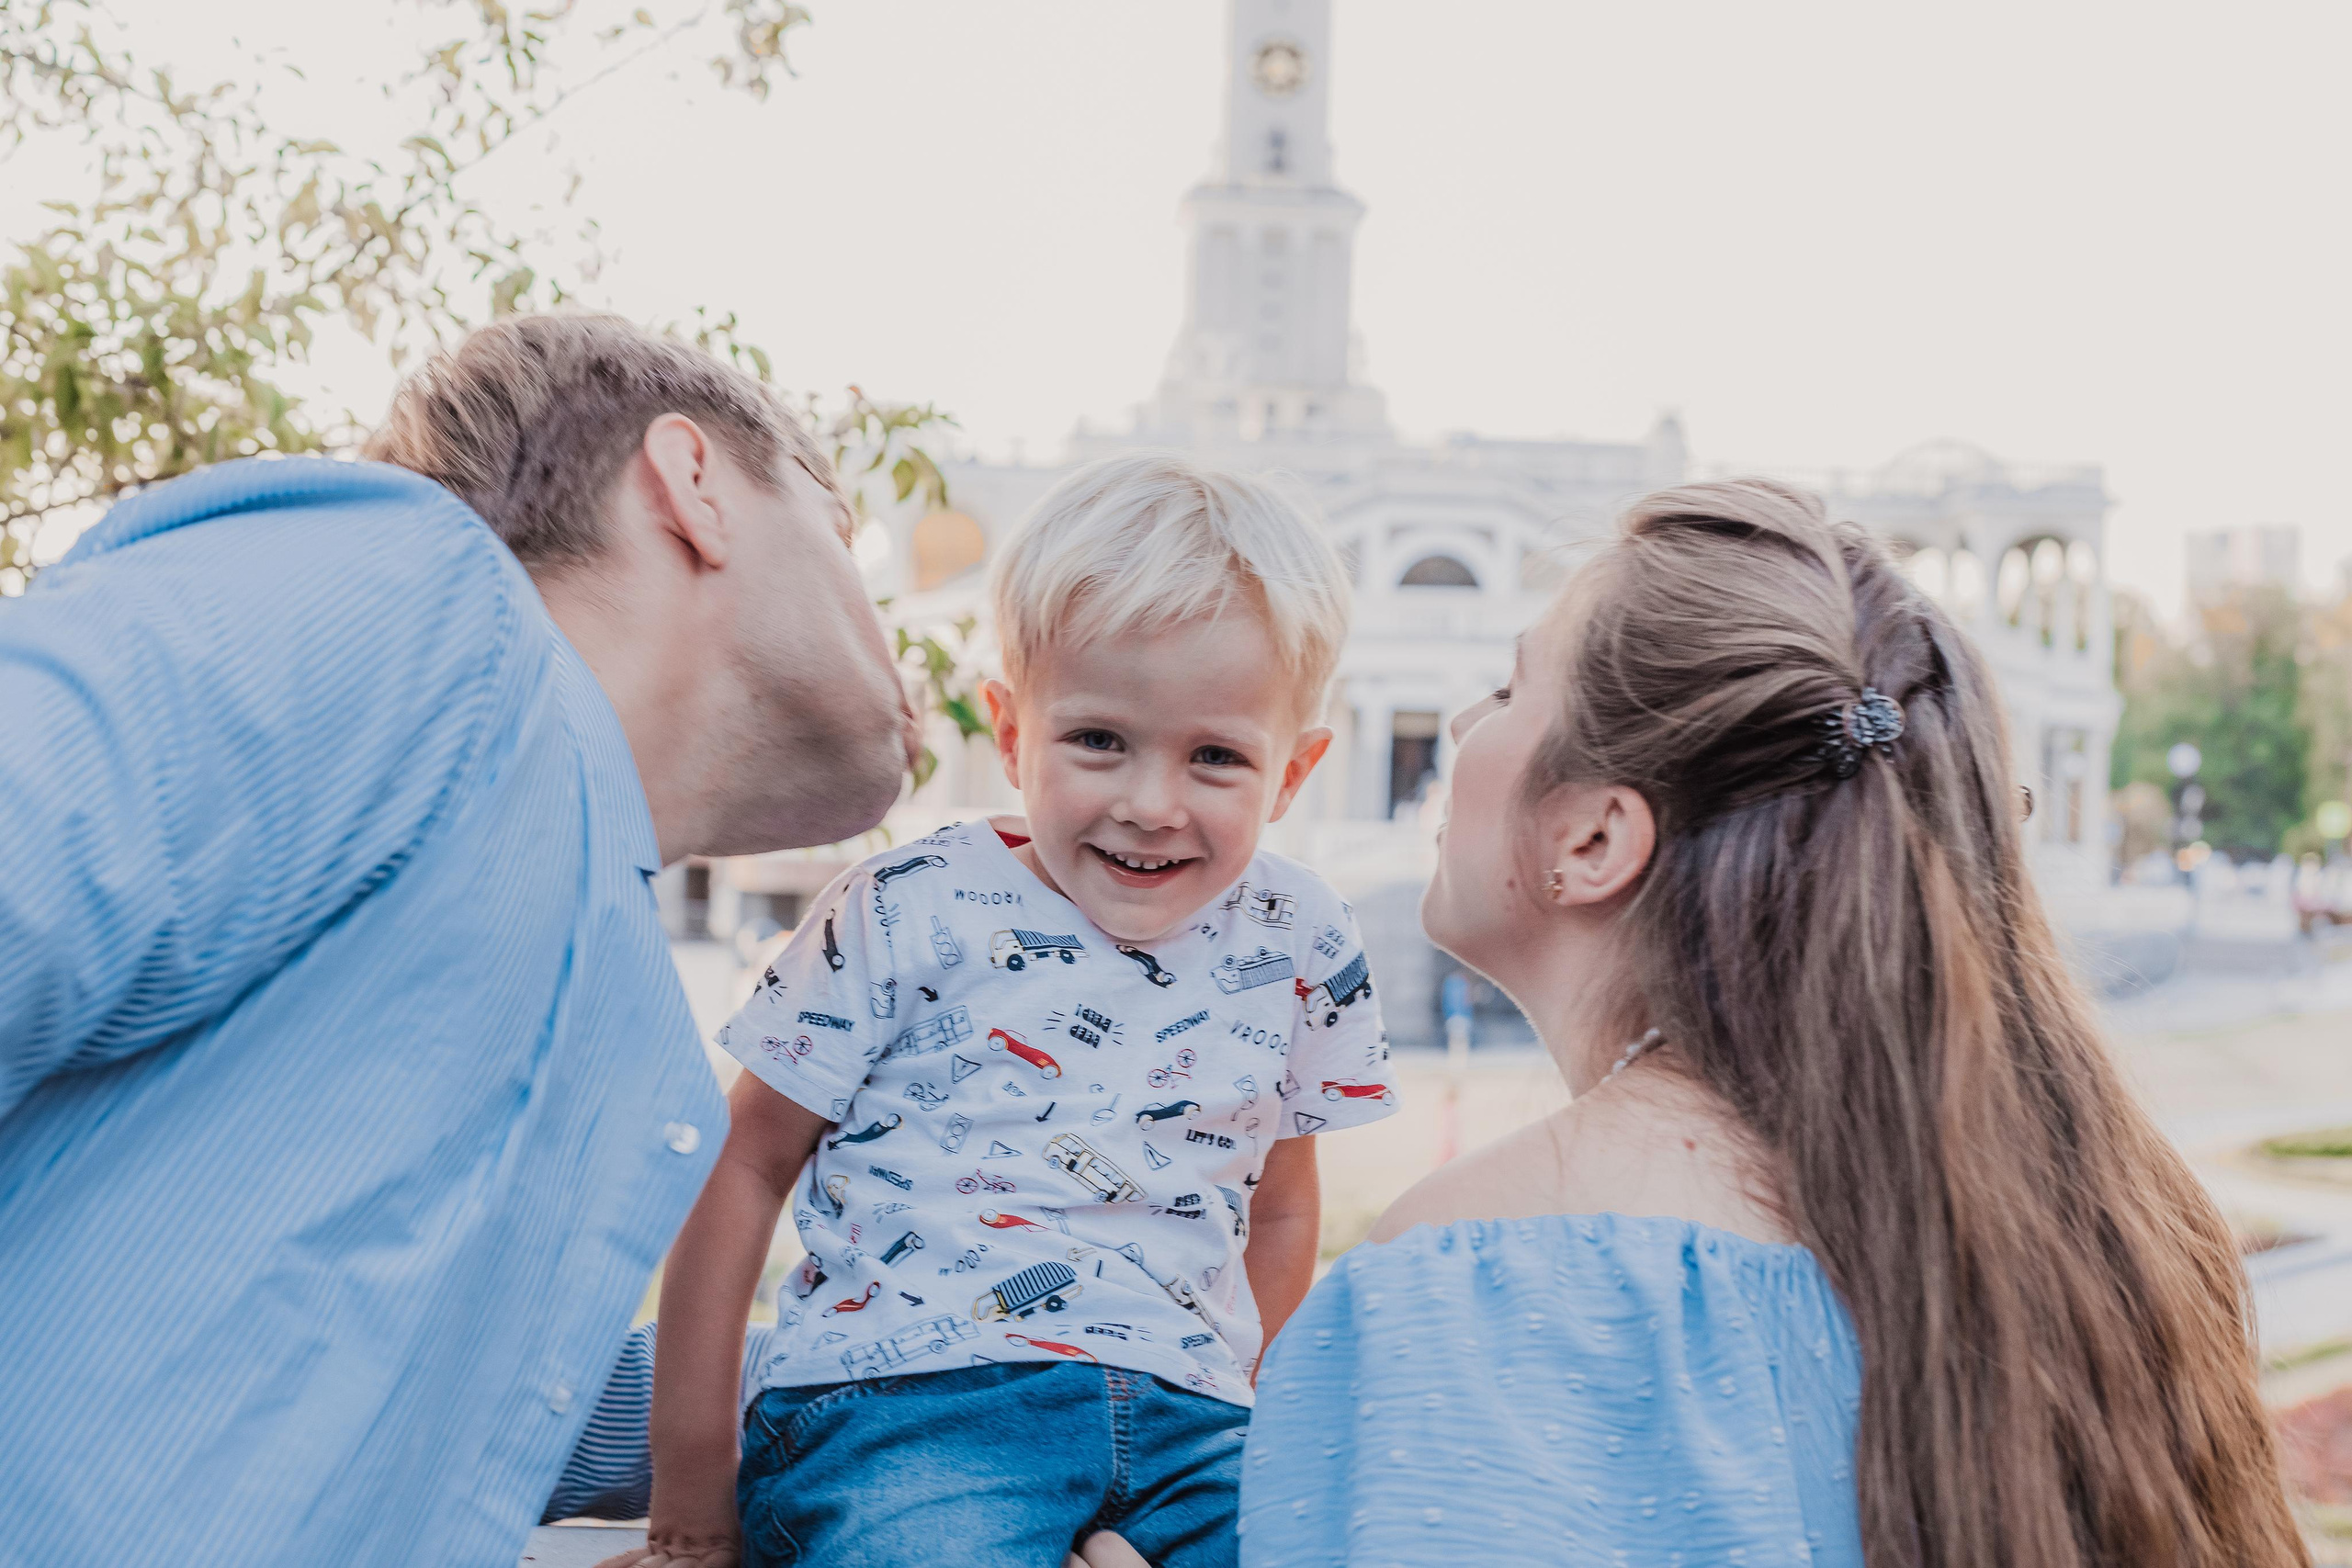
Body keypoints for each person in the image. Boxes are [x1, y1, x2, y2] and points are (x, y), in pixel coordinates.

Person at [1238, 479, 2307, 1566]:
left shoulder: (1463, 1287)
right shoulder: (2107, 1238)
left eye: (1507, 692)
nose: (1464, 726)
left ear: (1594, 842)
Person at [0, 313, 919, 1568]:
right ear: (695, 483)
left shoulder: (598, 944)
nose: (893, 626)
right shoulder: (409, 603)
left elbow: (450, 1382)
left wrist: (998, 1377)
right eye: (840, 524)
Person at [610, 454, 1396, 1568]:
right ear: (1011, 729)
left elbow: (1277, 1210)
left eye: (1216, 756)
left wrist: (1242, 1414)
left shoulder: (1303, 936)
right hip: (909, 1407)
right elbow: (742, 1166)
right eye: (1098, 740)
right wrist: (693, 1498)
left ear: (1294, 772)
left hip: (1193, 1432)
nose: (1150, 803)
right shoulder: (903, 907)